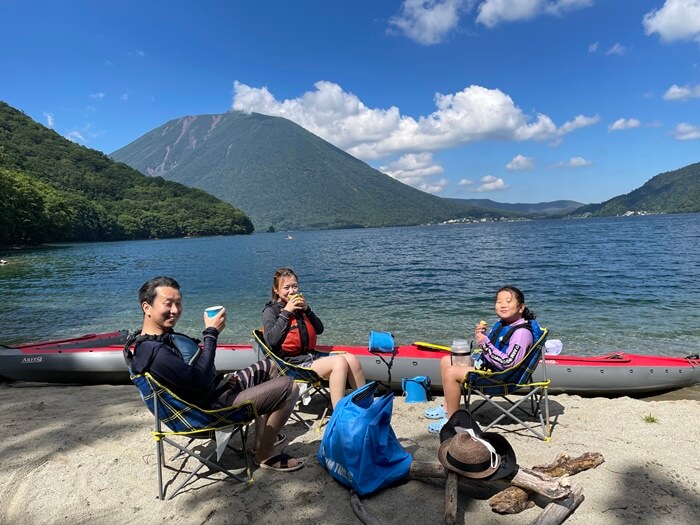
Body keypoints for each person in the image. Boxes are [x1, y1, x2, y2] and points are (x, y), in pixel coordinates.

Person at [125, 276, 304, 472]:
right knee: (290, 387)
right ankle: (265, 455)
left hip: (215, 392)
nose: (175, 310)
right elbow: (200, 381)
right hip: (212, 411)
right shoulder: (156, 354)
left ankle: (260, 442)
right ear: (146, 307)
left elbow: (194, 378)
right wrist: (211, 333)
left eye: (178, 303)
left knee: (269, 366)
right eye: (168, 304)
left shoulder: (152, 341)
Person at [425, 285, 540, 434]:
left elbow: (508, 363)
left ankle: (452, 421)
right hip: (489, 366)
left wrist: (485, 343)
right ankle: (448, 407)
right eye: (499, 301)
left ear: (521, 307)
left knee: (452, 372)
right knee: (447, 360)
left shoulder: (522, 333)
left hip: (501, 377)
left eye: (508, 301)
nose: (503, 304)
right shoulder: (504, 324)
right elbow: (495, 349)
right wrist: (483, 337)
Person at [262, 267, 365, 408]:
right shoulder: (271, 311)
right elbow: (270, 341)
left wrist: (307, 310)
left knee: (351, 359)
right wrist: (286, 312)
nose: (292, 291)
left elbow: (319, 329)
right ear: (276, 290)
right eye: (286, 287)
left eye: (295, 286)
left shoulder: (300, 308)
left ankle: (365, 405)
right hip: (294, 364)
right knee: (339, 363)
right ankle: (338, 415)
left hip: (311, 357)